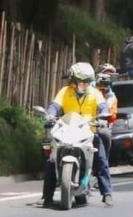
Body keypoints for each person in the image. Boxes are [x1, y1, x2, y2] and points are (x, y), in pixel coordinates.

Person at [43, 62, 113, 207]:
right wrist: (50, 115)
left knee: (101, 160)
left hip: (89, 132)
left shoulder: (95, 93)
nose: (84, 85)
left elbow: (103, 107)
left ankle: (107, 193)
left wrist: (103, 117)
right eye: (80, 82)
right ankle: (47, 196)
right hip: (66, 131)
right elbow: (54, 107)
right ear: (72, 81)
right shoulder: (64, 91)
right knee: (51, 159)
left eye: (87, 82)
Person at [95, 72, 118, 157]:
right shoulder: (90, 93)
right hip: (84, 123)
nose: (102, 87)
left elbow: (112, 115)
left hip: (102, 125)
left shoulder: (112, 98)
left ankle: (104, 162)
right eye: (99, 84)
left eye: (105, 84)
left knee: (105, 134)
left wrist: (103, 118)